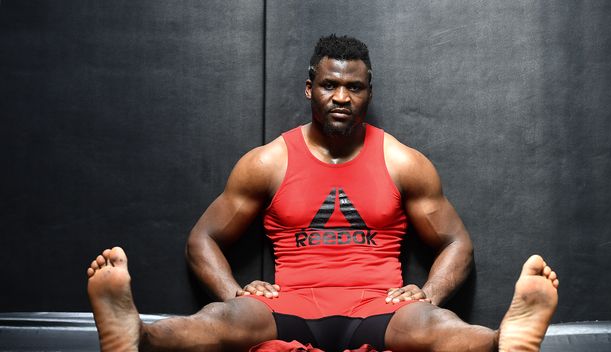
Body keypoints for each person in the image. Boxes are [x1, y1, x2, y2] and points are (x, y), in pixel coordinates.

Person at [86, 34, 559, 352]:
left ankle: (504, 341)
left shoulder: (401, 162)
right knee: (224, 318)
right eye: (329, 85)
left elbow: (457, 242)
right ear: (309, 88)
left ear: (368, 93)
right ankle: (138, 337)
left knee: (434, 326)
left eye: (353, 87)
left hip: (379, 303)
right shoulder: (269, 161)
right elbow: (201, 239)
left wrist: (429, 292)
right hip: (290, 302)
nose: (341, 96)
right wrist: (234, 290)